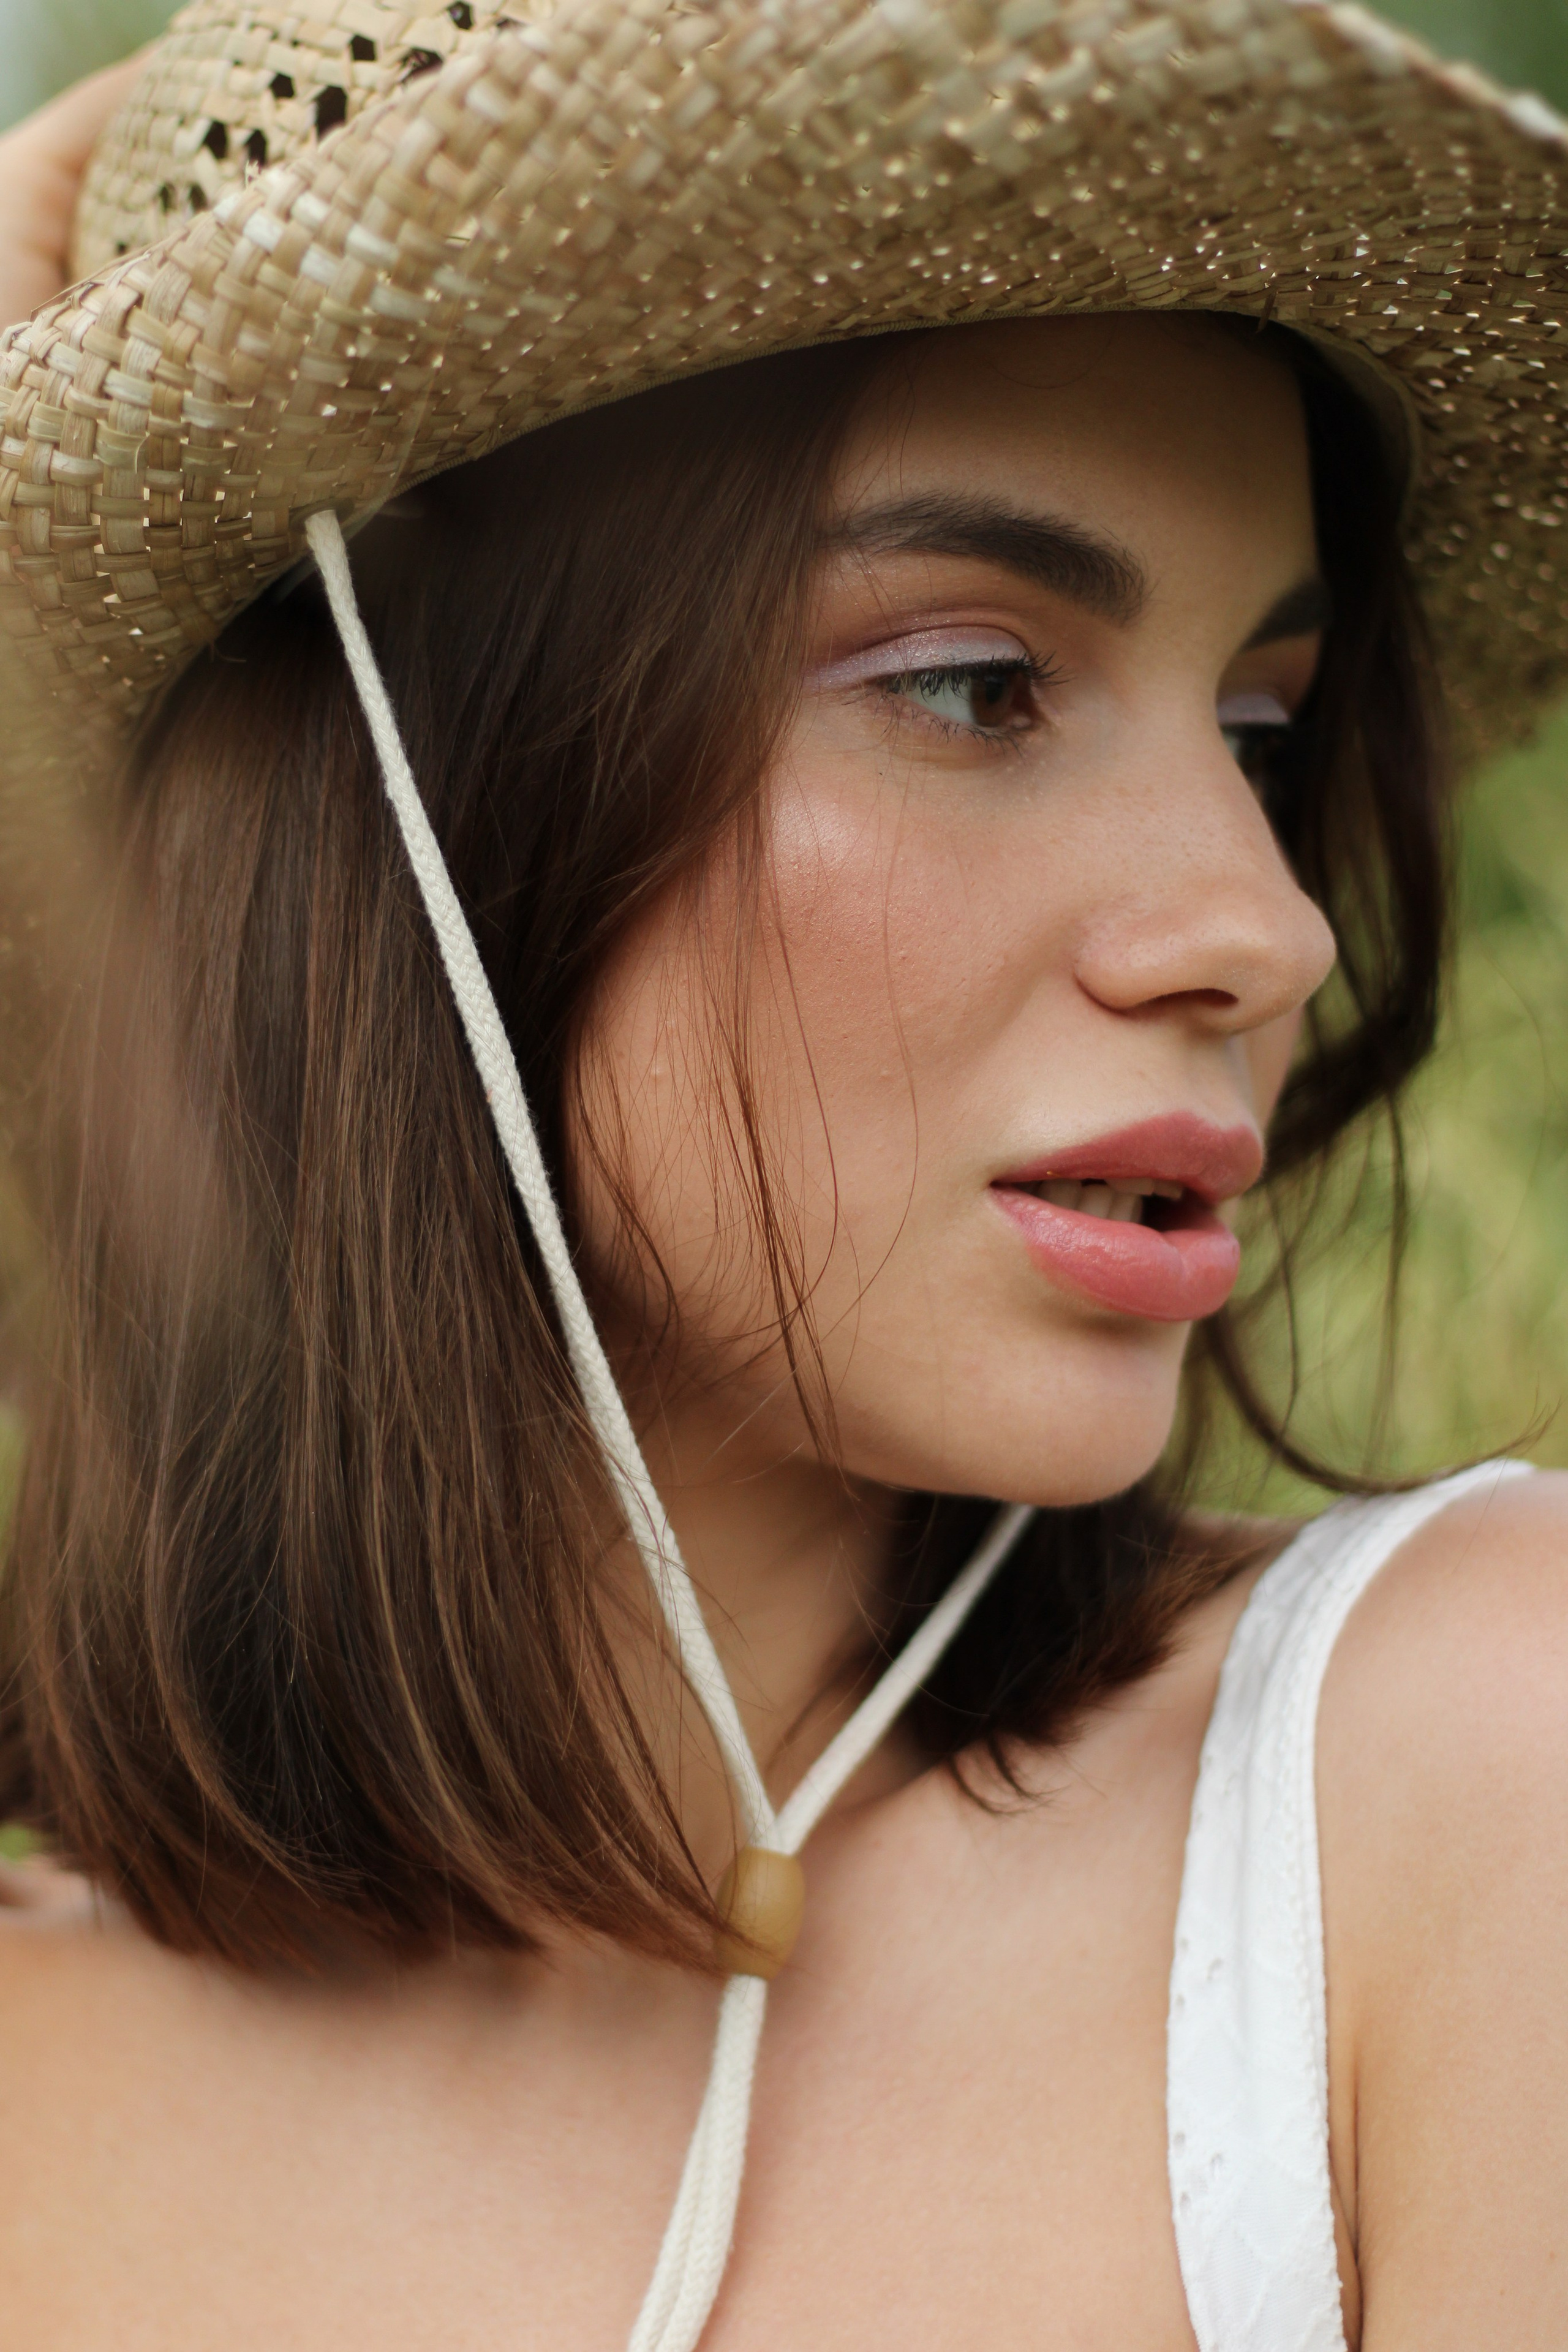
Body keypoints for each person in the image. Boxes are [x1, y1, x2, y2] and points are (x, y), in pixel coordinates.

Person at [0, 3, 1566, 2346]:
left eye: (1259, 728)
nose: (1264, 928)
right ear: (401, 798)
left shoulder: (1460, 1784)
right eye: (972, 683)